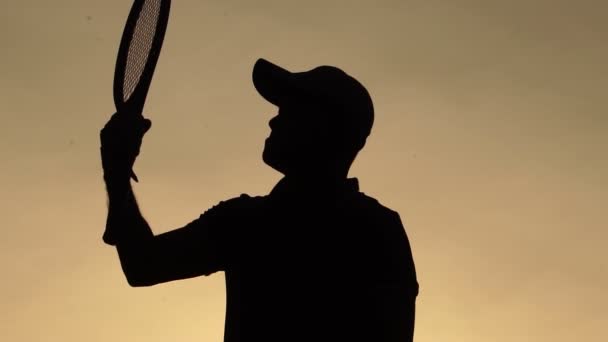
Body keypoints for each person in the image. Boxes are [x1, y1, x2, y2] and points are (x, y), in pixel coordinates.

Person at [99, 58, 419, 341]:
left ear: (321, 128)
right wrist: (116, 169)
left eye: (289, 111)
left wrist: (116, 167)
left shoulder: (248, 223)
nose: (273, 120)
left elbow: (143, 264)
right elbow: (143, 265)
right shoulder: (379, 229)